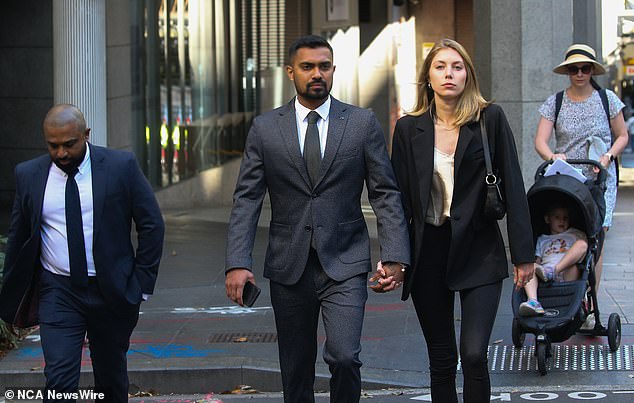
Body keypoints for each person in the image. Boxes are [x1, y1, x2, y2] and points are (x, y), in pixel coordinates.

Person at [224, 35, 410, 403]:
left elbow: (385, 192)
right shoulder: (265, 129)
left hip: (345, 261)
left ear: (333, 70)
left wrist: (395, 255)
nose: (317, 74)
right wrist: (237, 263)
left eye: (324, 66)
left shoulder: (360, 123)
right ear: (291, 72)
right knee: (295, 369)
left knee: (344, 357)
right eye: (307, 67)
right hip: (288, 264)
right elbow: (247, 198)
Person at [387, 38, 535, 403]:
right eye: (440, 67)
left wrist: (523, 255)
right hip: (429, 252)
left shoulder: (490, 119)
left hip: (480, 249)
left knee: (473, 354)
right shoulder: (409, 129)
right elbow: (396, 199)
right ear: (428, 77)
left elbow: (514, 186)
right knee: (441, 359)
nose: (449, 74)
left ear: (468, 74)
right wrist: (394, 257)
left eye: (457, 66)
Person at [0, 104, 165, 402]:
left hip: (112, 289)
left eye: (69, 144)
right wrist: (12, 292)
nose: (61, 153)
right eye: (53, 146)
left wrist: (141, 285)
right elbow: (19, 236)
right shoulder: (29, 175)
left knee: (111, 379)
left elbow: (152, 225)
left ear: (86, 135)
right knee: (59, 382)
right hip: (58, 292)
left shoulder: (120, 166)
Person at [534, 44, 629, 329]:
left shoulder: (606, 99)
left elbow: (622, 134)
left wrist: (610, 155)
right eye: (573, 69)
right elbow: (540, 140)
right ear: (566, 72)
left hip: (600, 179)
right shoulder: (556, 102)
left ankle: (589, 306)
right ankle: (562, 293)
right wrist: (552, 156)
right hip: (567, 180)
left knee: (596, 240)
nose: (579, 73)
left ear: (592, 71)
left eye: (585, 68)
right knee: (568, 233)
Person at [519, 203, 588, 316]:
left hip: (566, 271)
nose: (562, 221)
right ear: (547, 219)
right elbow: (538, 260)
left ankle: (554, 271)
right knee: (529, 267)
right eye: (557, 217)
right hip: (544, 274)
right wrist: (535, 267)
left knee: (581, 245)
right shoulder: (542, 239)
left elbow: (583, 249)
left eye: (565, 218)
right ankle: (533, 301)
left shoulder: (574, 234)